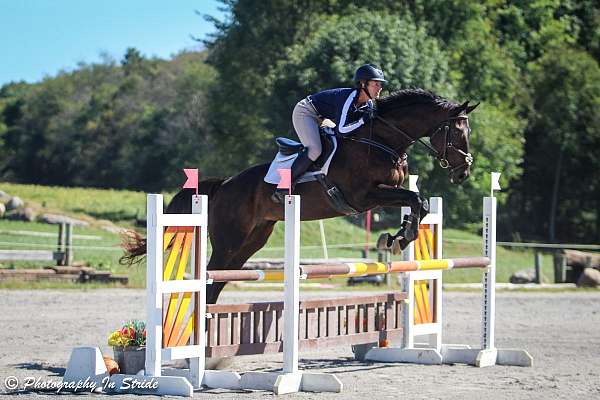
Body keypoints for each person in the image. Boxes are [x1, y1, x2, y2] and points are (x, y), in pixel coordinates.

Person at [272, 63, 386, 203]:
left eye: (380, 84)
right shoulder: (349, 98)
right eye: (376, 84)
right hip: (306, 112)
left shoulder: (367, 104)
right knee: (315, 149)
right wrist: (362, 121)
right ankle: (283, 186)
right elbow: (342, 129)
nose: (380, 88)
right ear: (363, 84)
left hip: (323, 117)